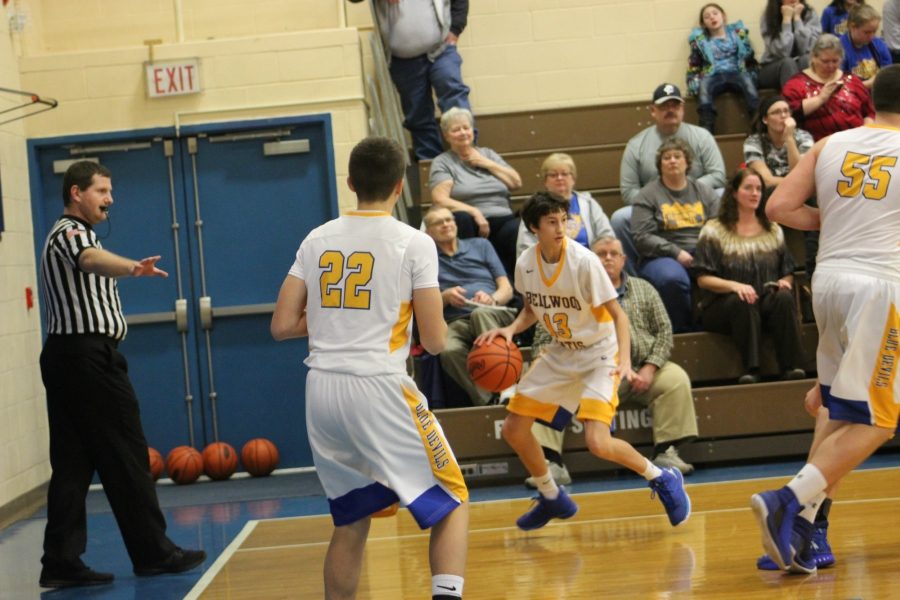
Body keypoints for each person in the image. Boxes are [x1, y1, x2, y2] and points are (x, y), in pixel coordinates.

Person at [271, 136, 469, 600]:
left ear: (350, 183)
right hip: (378, 386)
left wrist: (335, 321)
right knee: (452, 501)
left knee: (352, 518)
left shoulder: (317, 238)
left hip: (321, 391)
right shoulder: (414, 242)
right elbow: (437, 341)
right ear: (400, 187)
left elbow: (281, 325)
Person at [751, 64, 900, 575]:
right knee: (880, 419)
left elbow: (778, 206)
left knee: (834, 410)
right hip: (880, 287)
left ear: (870, 102)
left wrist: (830, 218)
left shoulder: (830, 143)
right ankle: (788, 500)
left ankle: (802, 529)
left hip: (829, 281)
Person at [475, 191, 691, 532]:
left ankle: (662, 477)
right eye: (551, 222)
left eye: (563, 220)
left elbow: (618, 315)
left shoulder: (584, 261)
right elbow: (532, 309)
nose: (561, 228)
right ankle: (551, 496)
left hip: (599, 353)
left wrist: (622, 361)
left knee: (597, 442)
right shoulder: (526, 263)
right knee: (515, 429)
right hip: (562, 350)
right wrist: (510, 329)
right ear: (534, 228)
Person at [38, 161, 206, 588]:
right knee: (127, 454)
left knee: (74, 463)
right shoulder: (71, 233)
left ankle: (60, 560)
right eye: (101, 191)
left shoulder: (76, 232)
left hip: (71, 358)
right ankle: (154, 552)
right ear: (76, 193)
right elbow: (90, 259)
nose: (110, 199)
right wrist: (133, 268)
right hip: (85, 358)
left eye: (111, 191)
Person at [528, 235, 699, 488]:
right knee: (544, 386)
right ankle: (551, 463)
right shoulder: (567, 294)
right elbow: (542, 339)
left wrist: (651, 367)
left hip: (637, 371)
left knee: (674, 379)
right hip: (583, 375)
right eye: (600, 253)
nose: (607, 258)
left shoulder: (644, 289)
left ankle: (667, 452)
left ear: (623, 259)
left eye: (613, 253)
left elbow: (664, 332)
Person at [693, 168, 806, 385]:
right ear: (734, 193)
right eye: (748, 188)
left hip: (763, 299)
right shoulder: (713, 230)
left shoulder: (772, 229)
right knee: (742, 300)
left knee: (783, 297)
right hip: (723, 305)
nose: (755, 193)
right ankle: (751, 368)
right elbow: (703, 278)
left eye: (758, 189)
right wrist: (735, 286)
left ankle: (790, 367)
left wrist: (785, 282)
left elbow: (788, 272)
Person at [614, 83, 725, 274]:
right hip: (654, 207)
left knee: (723, 194)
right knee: (620, 218)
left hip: (697, 202)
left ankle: (722, 256)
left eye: (675, 105)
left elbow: (718, 176)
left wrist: (686, 191)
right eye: (664, 106)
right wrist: (658, 199)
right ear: (653, 111)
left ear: (682, 109)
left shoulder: (702, 136)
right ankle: (636, 279)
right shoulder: (636, 144)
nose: (670, 110)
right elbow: (628, 190)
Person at [349, 0, 472, 161]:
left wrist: (455, 29)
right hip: (402, 60)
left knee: (453, 94)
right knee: (417, 115)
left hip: (441, 50)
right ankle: (431, 169)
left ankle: (469, 157)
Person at [424, 205, 517, 406]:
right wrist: (445, 297)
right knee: (448, 349)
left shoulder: (481, 245)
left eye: (449, 220)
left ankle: (507, 385)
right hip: (456, 320)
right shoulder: (426, 260)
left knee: (480, 314)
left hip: (494, 312)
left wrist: (492, 299)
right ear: (428, 232)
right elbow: (422, 305)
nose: (446, 225)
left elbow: (506, 288)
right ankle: (488, 400)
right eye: (438, 222)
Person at [631, 138, 720, 333]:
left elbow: (719, 227)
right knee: (672, 279)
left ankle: (715, 326)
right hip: (662, 256)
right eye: (666, 157)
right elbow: (642, 236)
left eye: (677, 156)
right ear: (659, 164)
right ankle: (681, 333)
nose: (672, 161)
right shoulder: (647, 195)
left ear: (687, 162)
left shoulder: (704, 191)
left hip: (702, 251)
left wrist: (704, 252)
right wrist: (676, 252)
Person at [429, 107, 522, 278]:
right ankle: (475, 280)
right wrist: (474, 211)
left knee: (518, 227)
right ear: (446, 135)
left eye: (466, 127)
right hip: (471, 221)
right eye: (456, 129)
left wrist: (488, 163)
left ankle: (514, 289)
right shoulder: (443, 162)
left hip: (503, 218)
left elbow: (516, 182)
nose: (463, 132)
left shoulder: (488, 154)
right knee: (463, 219)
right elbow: (440, 199)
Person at [516, 152, 614, 256]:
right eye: (553, 175)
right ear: (545, 181)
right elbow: (525, 247)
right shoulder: (535, 207)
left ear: (573, 178)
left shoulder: (589, 204)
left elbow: (607, 236)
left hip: (588, 263)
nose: (559, 178)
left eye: (564, 174)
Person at [782, 33, 875, 142]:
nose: (831, 66)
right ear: (813, 58)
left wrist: (866, 131)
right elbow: (790, 113)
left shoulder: (853, 81)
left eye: (835, 61)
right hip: (817, 146)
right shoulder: (796, 85)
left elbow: (870, 112)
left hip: (856, 142)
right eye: (825, 61)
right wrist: (820, 99)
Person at [686, 3, 759, 134]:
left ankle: (759, 127)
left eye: (715, 13)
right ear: (703, 23)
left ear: (723, 16)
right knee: (704, 87)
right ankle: (706, 130)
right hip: (713, 74)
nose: (712, 18)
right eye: (707, 17)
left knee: (748, 83)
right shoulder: (700, 41)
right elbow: (694, 63)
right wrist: (692, 81)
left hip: (737, 71)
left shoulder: (737, 34)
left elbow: (749, 56)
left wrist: (751, 65)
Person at [743, 95, 815, 195]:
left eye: (786, 111)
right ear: (765, 119)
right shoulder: (753, 142)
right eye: (776, 112)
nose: (783, 115)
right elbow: (766, 181)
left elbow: (801, 173)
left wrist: (789, 139)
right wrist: (797, 183)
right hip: (769, 193)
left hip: (801, 194)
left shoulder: (804, 137)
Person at [758, 0, 821, 89]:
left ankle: (812, 99)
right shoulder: (768, 16)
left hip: (799, 63)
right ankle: (795, 100)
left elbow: (807, 49)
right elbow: (783, 52)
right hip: (772, 67)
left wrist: (797, 19)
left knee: (807, 60)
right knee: (788, 63)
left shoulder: (810, 14)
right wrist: (786, 20)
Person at [840, 4, 893, 89]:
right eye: (867, 32)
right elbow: (838, 85)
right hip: (851, 96)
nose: (871, 36)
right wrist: (867, 85)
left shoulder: (879, 44)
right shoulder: (839, 48)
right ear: (852, 27)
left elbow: (888, 74)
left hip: (876, 95)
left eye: (874, 31)